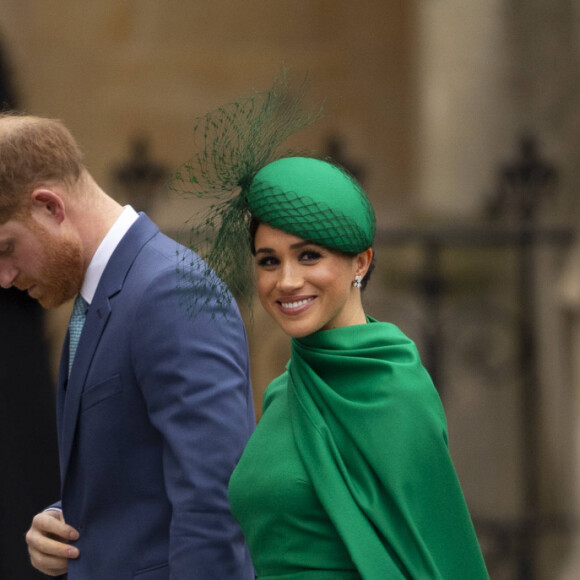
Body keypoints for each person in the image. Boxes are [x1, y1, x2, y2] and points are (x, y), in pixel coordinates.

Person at [174, 76, 490, 579]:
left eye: (309, 256)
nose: (287, 280)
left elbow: (432, 554)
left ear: (360, 261)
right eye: (268, 260)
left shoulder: (394, 390)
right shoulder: (285, 392)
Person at [0, 113, 255, 579]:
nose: (4, 277)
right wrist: (64, 517)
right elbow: (143, 475)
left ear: (49, 207)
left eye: (5, 250)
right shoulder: (99, 296)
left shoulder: (170, 290)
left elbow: (215, 503)